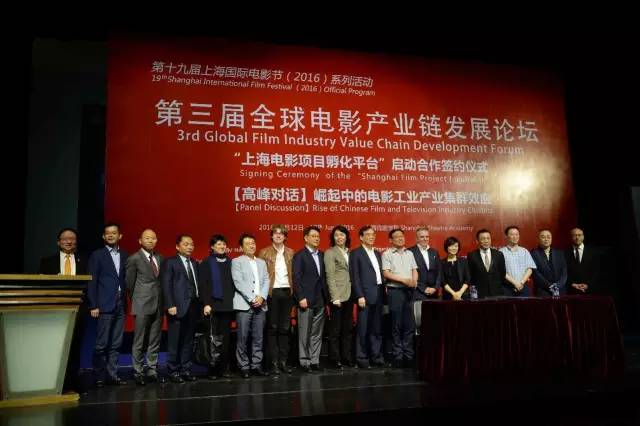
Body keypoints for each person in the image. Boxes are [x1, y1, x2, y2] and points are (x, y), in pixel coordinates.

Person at [38, 227, 88, 391]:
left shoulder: (83, 260)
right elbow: (40, 284)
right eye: (65, 239)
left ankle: (72, 382)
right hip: (55, 308)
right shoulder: (47, 262)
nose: (69, 241)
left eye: (72, 239)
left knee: (75, 346)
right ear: (58, 242)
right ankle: (52, 382)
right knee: (55, 346)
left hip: (77, 309)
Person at [87, 223, 128, 387]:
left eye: (114, 233)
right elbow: (92, 281)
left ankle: (112, 374)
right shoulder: (97, 255)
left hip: (121, 303)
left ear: (120, 236)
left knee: (116, 343)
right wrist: (93, 305)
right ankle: (99, 376)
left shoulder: (124, 255)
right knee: (101, 344)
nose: (111, 235)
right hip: (104, 304)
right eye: (108, 233)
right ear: (103, 237)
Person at [125, 229, 164, 385]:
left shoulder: (160, 257)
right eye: (147, 238)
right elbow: (129, 283)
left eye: (153, 238)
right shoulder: (134, 258)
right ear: (140, 241)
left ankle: (152, 368)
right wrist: (138, 299)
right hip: (142, 303)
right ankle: (138, 370)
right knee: (139, 339)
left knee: (155, 338)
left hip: (158, 303)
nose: (150, 240)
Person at [162, 235, 200, 383]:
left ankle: (186, 369)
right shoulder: (170, 262)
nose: (190, 247)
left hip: (193, 307)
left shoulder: (194, 262)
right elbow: (166, 285)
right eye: (186, 244)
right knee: (175, 340)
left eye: (192, 244)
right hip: (177, 307)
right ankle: (173, 370)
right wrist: (170, 304)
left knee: (188, 340)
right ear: (177, 247)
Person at [257, 225, 295, 374]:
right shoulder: (264, 252)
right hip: (272, 292)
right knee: (272, 328)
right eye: (275, 233)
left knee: (285, 328)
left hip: (287, 292)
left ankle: (283, 362)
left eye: (281, 233)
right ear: (271, 236)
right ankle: (273, 363)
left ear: (285, 237)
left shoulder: (291, 252)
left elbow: (294, 274)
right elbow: (259, 275)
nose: (278, 235)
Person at [232, 233, 270, 378]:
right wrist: (253, 298)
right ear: (241, 247)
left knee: (258, 337)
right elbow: (238, 282)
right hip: (244, 304)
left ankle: (256, 364)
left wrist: (262, 297)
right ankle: (243, 366)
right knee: (242, 337)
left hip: (261, 305)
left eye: (253, 243)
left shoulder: (261, 262)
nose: (251, 245)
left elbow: (266, 280)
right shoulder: (237, 261)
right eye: (247, 243)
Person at [198, 234, 236, 379]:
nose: (222, 246)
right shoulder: (206, 262)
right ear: (212, 247)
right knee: (212, 339)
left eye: (223, 244)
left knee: (226, 339)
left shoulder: (231, 262)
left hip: (227, 306)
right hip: (212, 306)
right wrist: (206, 303)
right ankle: (212, 368)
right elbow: (203, 285)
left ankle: (224, 368)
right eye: (218, 244)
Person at [382, 228, 418, 368]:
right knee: (396, 325)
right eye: (396, 237)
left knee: (409, 325)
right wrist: (404, 280)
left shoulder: (410, 253)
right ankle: (398, 355)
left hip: (409, 291)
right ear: (390, 240)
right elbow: (386, 273)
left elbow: (414, 270)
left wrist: (414, 281)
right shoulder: (387, 254)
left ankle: (408, 355)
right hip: (395, 291)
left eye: (402, 236)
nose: (400, 238)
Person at [292, 226, 327, 373]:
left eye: (318, 236)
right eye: (313, 236)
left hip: (320, 299)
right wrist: (300, 297)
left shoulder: (322, 255)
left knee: (316, 333)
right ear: (306, 238)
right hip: (306, 300)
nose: (316, 238)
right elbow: (296, 278)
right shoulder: (300, 255)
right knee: (304, 333)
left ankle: (314, 361)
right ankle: (304, 361)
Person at [324, 225, 354, 369]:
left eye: (342, 235)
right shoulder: (330, 252)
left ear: (346, 237)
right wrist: (334, 297)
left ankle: (346, 357)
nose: (339, 237)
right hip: (338, 296)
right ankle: (334, 359)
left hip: (350, 294)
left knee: (347, 329)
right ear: (333, 238)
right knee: (335, 330)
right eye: (336, 235)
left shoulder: (350, 252)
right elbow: (329, 276)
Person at [467, 229, 507, 298]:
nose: (486, 241)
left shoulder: (498, 254)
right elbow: (470, 275)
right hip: (479, 293)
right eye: (483, 239)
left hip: (497, 292)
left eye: (488, 238)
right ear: (477, 241)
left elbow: (502, 273)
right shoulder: (472, 255)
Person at [499, 226, 536, 297]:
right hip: (507, 288)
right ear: (506, 236)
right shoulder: (501, 252)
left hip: (523, 287)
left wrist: (521, 283)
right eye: (512, 234)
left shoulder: (524, 251)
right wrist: (515, 283)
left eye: (517, 234)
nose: (515, 237)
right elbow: (501, 271)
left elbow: (529, 269)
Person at [530, 229, 568, 297]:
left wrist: (558, 285)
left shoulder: (559, 253)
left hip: (560, 289)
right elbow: (535, 273)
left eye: (548, 237)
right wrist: (550, 286)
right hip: (543, 290)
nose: (546, 239)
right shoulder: (533, 253)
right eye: (543, 237)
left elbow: (564, 271)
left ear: (551, 239)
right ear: (538, 239)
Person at [408, 226, 441, 300]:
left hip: (434, 293)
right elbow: (409, 274)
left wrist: (435, 287)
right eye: (422, 237)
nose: (425, 239)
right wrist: (423, 288)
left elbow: (439, 272)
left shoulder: (434, 252)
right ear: (416, 238)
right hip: (417, 292)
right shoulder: (410, 252)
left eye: (427, 237)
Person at [566, 227, 601, 294]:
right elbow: (564, 272)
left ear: (583, 236)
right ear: (571, 237)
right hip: (571, 290)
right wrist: (572, 284)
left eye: (579, 235)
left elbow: (597, 271)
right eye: (574, 235)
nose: (577, 238)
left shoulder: (593, 252)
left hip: (590, 291)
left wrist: (588, 285)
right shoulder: (565, 253)